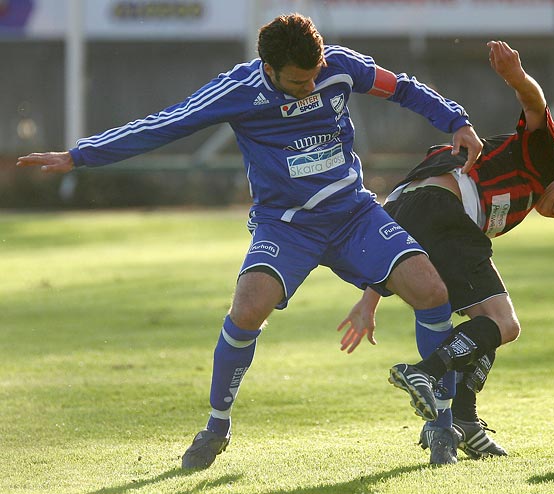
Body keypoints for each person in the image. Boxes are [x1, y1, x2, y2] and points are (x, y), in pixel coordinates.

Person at [16, 13, 485, 470]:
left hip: (354, 215)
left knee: (431, 290)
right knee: (247, 308)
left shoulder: (339, 66)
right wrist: (79, 156)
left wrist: (455, 120)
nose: (310, 87)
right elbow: (165, 124)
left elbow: (400, 87)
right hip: (286, 225)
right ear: (269, 69)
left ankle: (441, 424)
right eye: (299, 83)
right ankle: (216, 427)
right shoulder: (239, 90)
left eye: (315, 76)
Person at [337, 40, 554, 465]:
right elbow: (536, 104)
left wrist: (370, 298)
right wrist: (516, 77)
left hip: (413, 211)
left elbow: (417, 226)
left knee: (483, 327)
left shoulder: (513, 207)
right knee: (504, 324)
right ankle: (424, 374)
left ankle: (463, 420)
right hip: (435, 208)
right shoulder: (545, 163)